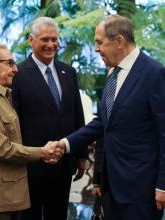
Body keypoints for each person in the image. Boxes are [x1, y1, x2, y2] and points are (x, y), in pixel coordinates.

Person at [56, 14, 165, 220]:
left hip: (141, 189)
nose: (96, 49)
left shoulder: (154, 73)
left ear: (119, 41)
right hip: (110, 187)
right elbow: (104, 122)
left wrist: (163, 185)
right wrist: (65, 144)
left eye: (99, 42)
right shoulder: (113, 74)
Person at [0, 43, 64, 220]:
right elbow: (1, 149)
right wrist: (42, 152)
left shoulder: (0, 95)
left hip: (8, 192)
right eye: (9, 63)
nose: (15, 69)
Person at [11, 16, 88, 220]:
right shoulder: (17, 74)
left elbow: (76, 114)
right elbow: (14, 121)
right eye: (45, 39)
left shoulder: (68, 72)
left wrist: (81, 155)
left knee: (58, 215)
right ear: (31, 40)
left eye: (55, 39)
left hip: (63, 164)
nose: (51, 44)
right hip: (32, 166)